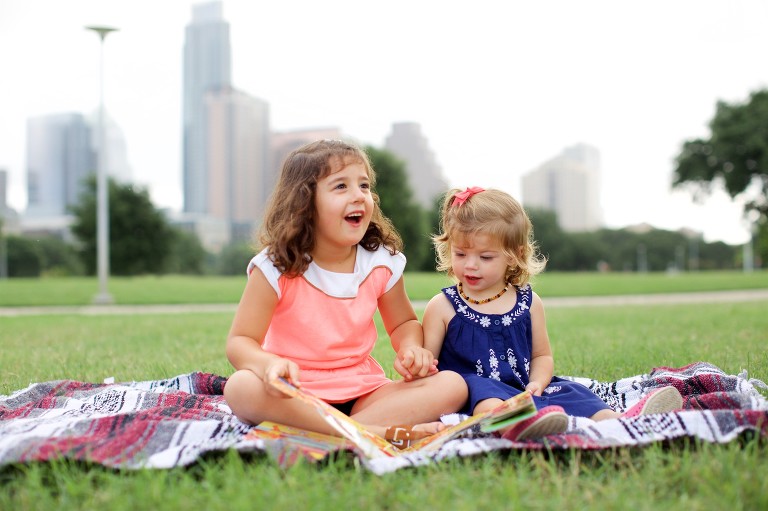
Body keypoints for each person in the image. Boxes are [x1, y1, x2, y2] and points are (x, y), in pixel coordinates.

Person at [223, 139, 467, 448]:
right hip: (296, 394)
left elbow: (403, 323)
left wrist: (410, 348)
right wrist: (267, 365)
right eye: (341, 187)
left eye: (364, 186)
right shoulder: (275, 267)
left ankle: (338, 433)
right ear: (305, 204)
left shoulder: (380, 262)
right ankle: (374, 434)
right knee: (240, 386)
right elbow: (240, 342)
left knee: (453, 384)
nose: (359, 196)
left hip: (364, 393)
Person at [422, 187, 683, 441]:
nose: (470, 265)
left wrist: (537, 382)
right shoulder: (443, 306)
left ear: (514, 256)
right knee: (489, 400)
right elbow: (429, 370)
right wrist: (418, 366)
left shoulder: (528, 302)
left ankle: (619, 421)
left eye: (486, 257)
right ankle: (515, 427)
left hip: (523, 389)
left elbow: (541, 355)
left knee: (572, 392)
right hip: (475, 394)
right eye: (460, 253)